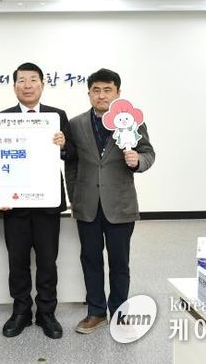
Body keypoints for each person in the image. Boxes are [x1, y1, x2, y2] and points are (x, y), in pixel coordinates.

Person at [65, 68, 155, 334]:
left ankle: (119, 312)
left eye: (107, 90)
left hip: (120, 205)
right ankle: (95, 312)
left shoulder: (131, 122)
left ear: (118, 93)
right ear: (89, 93)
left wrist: (137, 161)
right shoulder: (77, 124)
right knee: (90, 260)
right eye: (96, 90)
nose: (101, 95)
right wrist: (75, 197)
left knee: (119, 263)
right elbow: (72, 164)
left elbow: (148, 153)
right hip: (87, 205)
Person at [0, 62, 69, 339]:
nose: (27, 85)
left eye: (33, 80)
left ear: (42, 84)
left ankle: (46, 313)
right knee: (17, 262)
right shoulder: (2, 118)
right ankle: (21, 312)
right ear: (14, 86)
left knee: (47, 261)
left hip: (47, 202)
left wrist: (64, 144)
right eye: (21, 80)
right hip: (15, 204)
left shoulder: (57, 116)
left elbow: (71, 154)